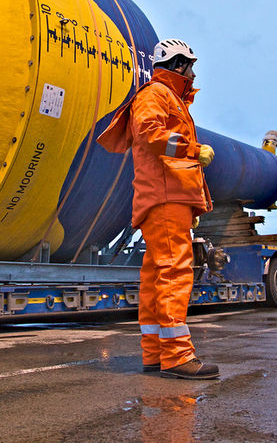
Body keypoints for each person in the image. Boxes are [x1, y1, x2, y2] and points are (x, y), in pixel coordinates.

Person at [97, 38, 218, 380]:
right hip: (167, 198)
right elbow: (150, 133)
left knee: (155, 278)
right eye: (191, 66)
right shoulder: (156, 95)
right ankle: (178, 357)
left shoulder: (166, 97)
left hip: (162, 198)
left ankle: (155, 354)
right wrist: (194, 150)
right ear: (179, 65)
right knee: (173, 274)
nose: (194, 74)